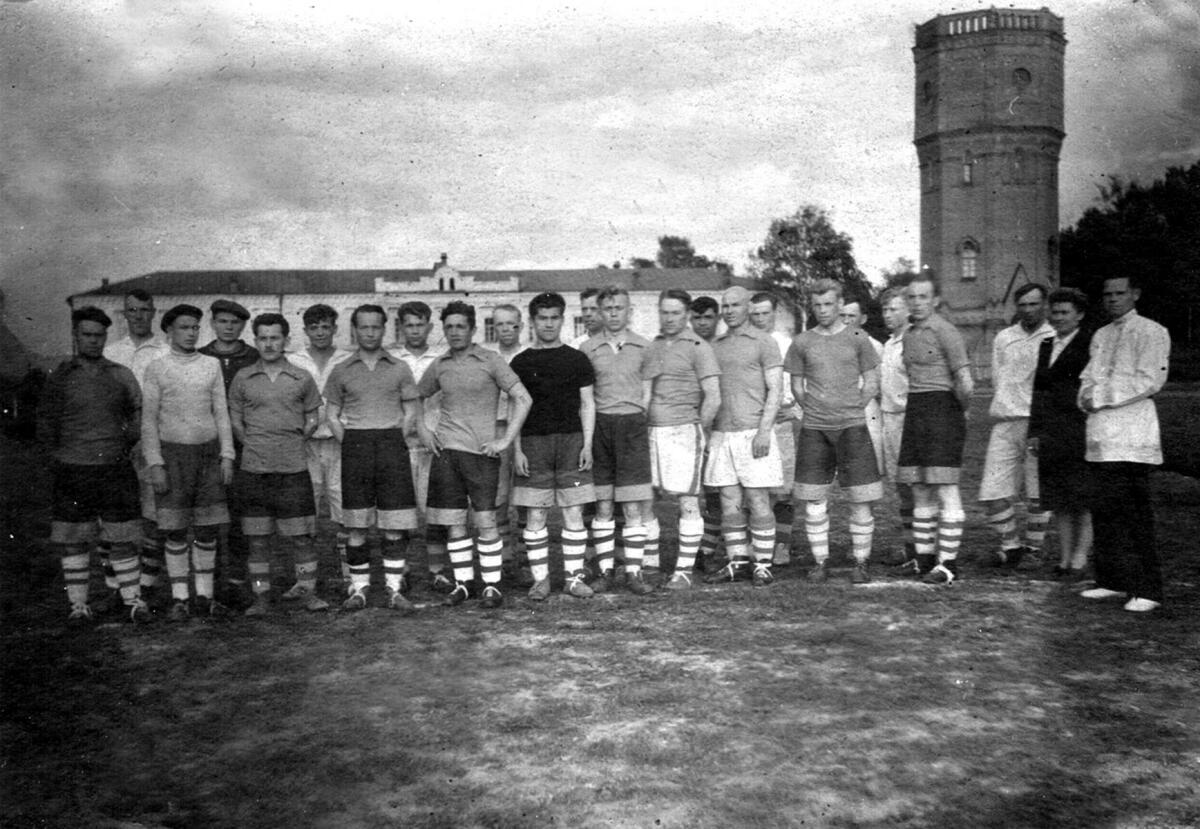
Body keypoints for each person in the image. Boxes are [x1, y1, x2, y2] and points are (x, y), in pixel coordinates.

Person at [417, 301, 532, 609]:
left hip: (482, 454)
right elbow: (415, 396)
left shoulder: (490, 360)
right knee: (454, 523)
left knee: (486, 520)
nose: (455, 332)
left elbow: (523, 398)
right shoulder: (440, 364)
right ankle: (464, 584)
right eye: (449, 327)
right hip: (447, 454)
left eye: (461, 326)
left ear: (473, 329)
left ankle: (492, 585)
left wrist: (505, 439)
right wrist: (423, 430)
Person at [37, 307, 148, 624]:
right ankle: (78, 606)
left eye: (99, 335)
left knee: (123, 536)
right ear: (76, 336)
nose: (93, 340)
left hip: (114, 467)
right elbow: (46, 422)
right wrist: (59, 455)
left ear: (105, 337)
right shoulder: (60, 377)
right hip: (73, 468)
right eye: (87, 334)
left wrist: (122, 444)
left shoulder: (120, 374)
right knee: (74, 539)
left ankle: (133, 601)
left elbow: (137, 413)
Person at [1077, 275, 1170, 613]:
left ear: (1135, 294)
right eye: (1108, 294)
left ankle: (1148, 589)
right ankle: (1111, 580)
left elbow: (1150, 380)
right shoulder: (1101, 335)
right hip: (1101, 436)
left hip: (1132, 435)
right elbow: (1088, 377)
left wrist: (1100, 397)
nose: (1113, 299)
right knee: (1104, 512)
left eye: (1120, 293)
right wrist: (1085, 396)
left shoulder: (1152, 331)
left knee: (1134, 515)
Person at [324, 305, 424, 613]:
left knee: (394, 524)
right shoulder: (342, 369)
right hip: (356, 447)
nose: (370, 333)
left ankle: (394, 590)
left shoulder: (399, 367)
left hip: (392, 446)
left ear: (384, 329)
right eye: (364, 327)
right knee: (356, 525)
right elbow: (332, 414)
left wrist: (395, 437)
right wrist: (351, 442)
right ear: (354, 330)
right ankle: (359, 589)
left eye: (376, 327)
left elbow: (411, 410)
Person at [141, 304, 236, 619]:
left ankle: (204, 596)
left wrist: (227, 455)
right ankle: (180, 598)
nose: (191, 333)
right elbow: (148, 420)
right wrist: (155, 463)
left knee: (207, 529)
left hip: (208, 456)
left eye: (195, 327)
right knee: (175, 530)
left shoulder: (210, 365)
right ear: (169, 331)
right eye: (184, 327)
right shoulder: (157, 368)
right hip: (172, 457)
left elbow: (221, 413)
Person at [228, 314, 327, 615]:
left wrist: (294, 439)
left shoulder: (301, 377)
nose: (269, 344)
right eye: (263, 338)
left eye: (275, 338)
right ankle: (261, 597)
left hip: (292, 469)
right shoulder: (243, 377)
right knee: (257, 540)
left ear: (286, 340)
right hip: (254, 470)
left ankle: (308, 593)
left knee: (302, 537)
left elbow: (313, 416)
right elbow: (235, 419)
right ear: (255, 341)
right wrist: (254, 443)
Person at [785, 279, 882, 584]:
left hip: (852, 427)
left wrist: (852, 407)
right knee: (814, 499)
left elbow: (872, 382)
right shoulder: (802, 341)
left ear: (840, 304)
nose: (823, 310)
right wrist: (816, 409)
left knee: (860, 498)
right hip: (815, 429)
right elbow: (796, 386)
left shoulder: (858, 337)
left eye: (828, 304)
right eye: (817, 305)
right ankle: (820, 562)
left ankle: (861, 562)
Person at [510, 292, 597, 600]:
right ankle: (541, 580)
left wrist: (587, 444)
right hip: (534, 444)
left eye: (554, 318)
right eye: (542, 318)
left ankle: (573, 578)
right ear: (533, 321)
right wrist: (517, 449)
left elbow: (587, 404)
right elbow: (514, 408)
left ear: (562, 319)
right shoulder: (521, 362)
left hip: (572, 442)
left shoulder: (577, 359)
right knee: (535, 514)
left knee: (573, 511)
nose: (548, 324)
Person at [896, 272, 974, 585]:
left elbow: (965, 381)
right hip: (916, 409)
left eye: (923, 297)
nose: (917, 303)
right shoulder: (908, 334)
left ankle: (948, 564)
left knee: (945, 486)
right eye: (912, 297)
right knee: (918, 486)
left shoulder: (946, 330)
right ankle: (925, 558)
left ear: (936, 300)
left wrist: (957, 412)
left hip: (943, 408)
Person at [577, 286, 656, 595]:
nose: (613, 313)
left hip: (632, 426)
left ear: (629, 311)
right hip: (600, 427)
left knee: (633, 504)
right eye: (607, 308)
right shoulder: (587, 348)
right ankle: (605, 571)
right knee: (603, 503)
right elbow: (585, 398)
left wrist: (634, 419)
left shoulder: (644, 346)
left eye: (619, 308)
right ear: (600, 312)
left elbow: (647, 393)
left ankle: (634, 572)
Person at [704, 286, 784, 587]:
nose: (729, 311)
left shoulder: (764, 342)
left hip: (754, 432)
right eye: (725, 306)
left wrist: (764, 431)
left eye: (735, 305)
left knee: (757, 498)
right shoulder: (714, 345)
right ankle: (737, 561)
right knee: (729, 500)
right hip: (722, 433)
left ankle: (762, 565)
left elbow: (776, 389)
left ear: (748, 307)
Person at [646, 290, 721, 590]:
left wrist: (698, 429)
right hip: (652, 431)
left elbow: (713, 397)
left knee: (688, 500)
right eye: (664, 312)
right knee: (645, 499)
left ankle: (684, 570)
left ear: (687, 314)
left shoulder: (699, 347)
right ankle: (650, 565)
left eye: (675, 313)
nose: (669, 318)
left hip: (684, 432)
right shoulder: (653, 345)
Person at [979, 283, 1055, 568]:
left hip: (1039, 422)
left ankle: (1033, 550)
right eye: (1023, 305)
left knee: (1038, 494)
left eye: (1034, 304)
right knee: (993, 492)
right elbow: (998, 378)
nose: (1028, 310)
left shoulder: (1054, 335)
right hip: (1006, 421)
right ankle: (1010, 547)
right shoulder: (1004, 337)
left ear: (1044, 305)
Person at [104, 289, 169, 608]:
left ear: (153, 313)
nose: (139, 315)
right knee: (114, 517)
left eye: (145, 310)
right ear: (125, 314)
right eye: (132, 310)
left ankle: (148, 584)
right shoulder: (112, 351)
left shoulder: (166, 350)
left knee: (153, 516)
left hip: (154, 441)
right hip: (117, 444)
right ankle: (115, 586)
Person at [198, 299, 261, 607]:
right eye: (222, 321)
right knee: (208, 515)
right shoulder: (201, 356)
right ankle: (207, 583)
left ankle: (237, 580)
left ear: (243, 326)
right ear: (213, 323)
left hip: (244, 444)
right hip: (207, 446)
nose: (228, 327)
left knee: (240, 515)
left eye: (235, 322)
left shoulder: (253, 357)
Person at [1028, 288, 1094, 580]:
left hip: (1081, 427)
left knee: (1083, 497)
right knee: (1060, 498)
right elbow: (1039, 390)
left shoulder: (1090, 343)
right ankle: (1065, 558)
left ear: (1079, 315)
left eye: (1065, 312)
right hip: (1051, 430)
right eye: (1054, 312)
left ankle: (1080, 557)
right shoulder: (1046, 344)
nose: (1058, 318)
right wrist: (1034, 431)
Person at [288, 304, 354, 589]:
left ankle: (351, 577)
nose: (320, 333)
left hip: (341, 442)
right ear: (305, 330)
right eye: (313, 327)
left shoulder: (347, 359)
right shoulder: (294, 360)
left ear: (334, 329)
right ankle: (305, 581)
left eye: (325, 327)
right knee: (305, 511)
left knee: (345, 510)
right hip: (306, 444)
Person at [389, 301, 451, 591]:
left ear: (430, 326)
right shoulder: (391, 359)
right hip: (400, 444)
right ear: (401, 327)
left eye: (420, 325)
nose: (415, 330)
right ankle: (401, 572)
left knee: (436, 512)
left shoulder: (442, 359)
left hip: (434, 444)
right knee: (399, 512)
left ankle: (438, 571)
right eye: (409, 325)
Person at [749, 291, 800, 567]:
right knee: (757, 488)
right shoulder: (746, 342)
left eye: (765, 313)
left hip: (780, 423)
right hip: (752, 422)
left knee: (783, 489)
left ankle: (782, 543)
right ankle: (758, 541)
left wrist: (795, 410)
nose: (759, 319)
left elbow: (800, 383)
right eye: (755, 314)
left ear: (775, 313)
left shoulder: (786, 344)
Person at [486, 304, 529, 581]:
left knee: (526, 497)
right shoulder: (487, 358)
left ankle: (525, 561)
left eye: (511, 323)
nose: (506, 329)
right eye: (500, 324)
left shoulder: (530, 357)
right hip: (496, 429)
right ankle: (504, 558)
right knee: (498, 497)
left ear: (520, 326)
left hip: (527, 431)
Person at [877, 286, 914, 565]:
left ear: (908, 310)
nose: (888, 314)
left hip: (910, 419)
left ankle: (924, 549)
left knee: (916, 487)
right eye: (885, 309)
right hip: (888, 419)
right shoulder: (889, 344)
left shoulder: (914, 340)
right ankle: (911, 547)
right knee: (900, 488)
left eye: (894, 309)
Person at [689, 294, 724, 566]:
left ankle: (709, 549)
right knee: (689, 493)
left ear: (717, 318)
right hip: (690, 426)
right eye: (697, 318)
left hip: (720, 428)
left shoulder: (724, 347)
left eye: (708, 317)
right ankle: (693, 547)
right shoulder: (686, 346)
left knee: (718, 492)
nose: (702, 323)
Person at [840, 296, 886, 478]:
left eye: (851, 316)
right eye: (842, 315)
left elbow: (878, 383)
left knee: (869, 461)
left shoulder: (873, 345)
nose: (846, 320)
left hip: (866, 407)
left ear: (863, 319)